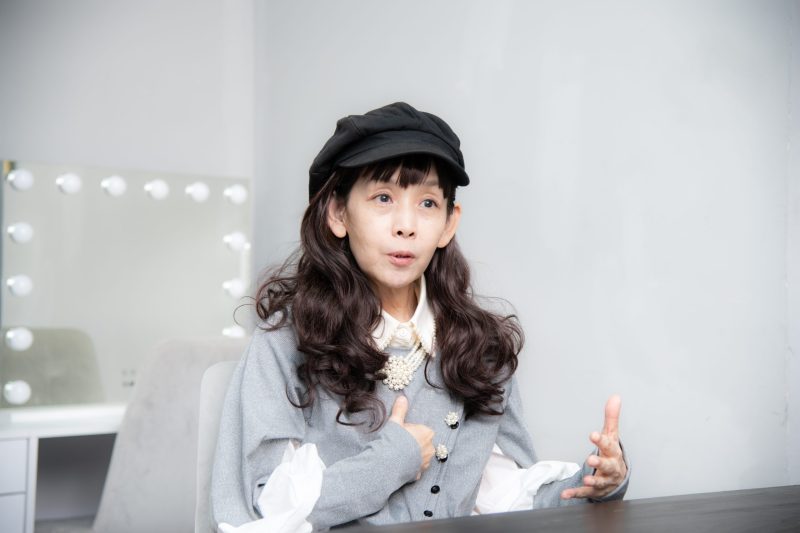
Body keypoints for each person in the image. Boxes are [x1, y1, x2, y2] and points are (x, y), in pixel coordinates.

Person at [211, 102, 630, 532]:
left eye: (428, 203)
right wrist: (392, 461)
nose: (406, 225)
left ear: (448, 223)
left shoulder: (478, 348)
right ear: (338, 213)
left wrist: (592, 484)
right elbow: (264, 512)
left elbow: (504, 498)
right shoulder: (287, 341)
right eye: (383, 198)